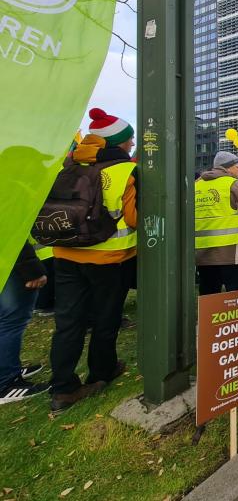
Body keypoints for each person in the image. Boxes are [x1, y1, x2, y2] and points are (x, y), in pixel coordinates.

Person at [49, 109, 137, 413]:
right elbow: (135, 218)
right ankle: (102, 371)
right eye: (130, 140)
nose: (132, 145)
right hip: (108, 258)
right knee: (105, 319)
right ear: (120, 142)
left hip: (64, 253)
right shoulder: (124, 171)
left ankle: (62, 388)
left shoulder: (68, 165)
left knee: (68, 322)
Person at [195, 151, 238, 294]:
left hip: (203, 252)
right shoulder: (235, 184)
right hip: (233, 252)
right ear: (227, 167)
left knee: (208, 293)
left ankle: (208, 317)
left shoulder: (197, 185)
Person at [1, 242, 49, 403]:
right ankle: (6, 383)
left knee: (7, 318)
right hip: (8, 259)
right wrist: (31, 269)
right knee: (12, 320)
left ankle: (9, 366)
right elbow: (12, 233)